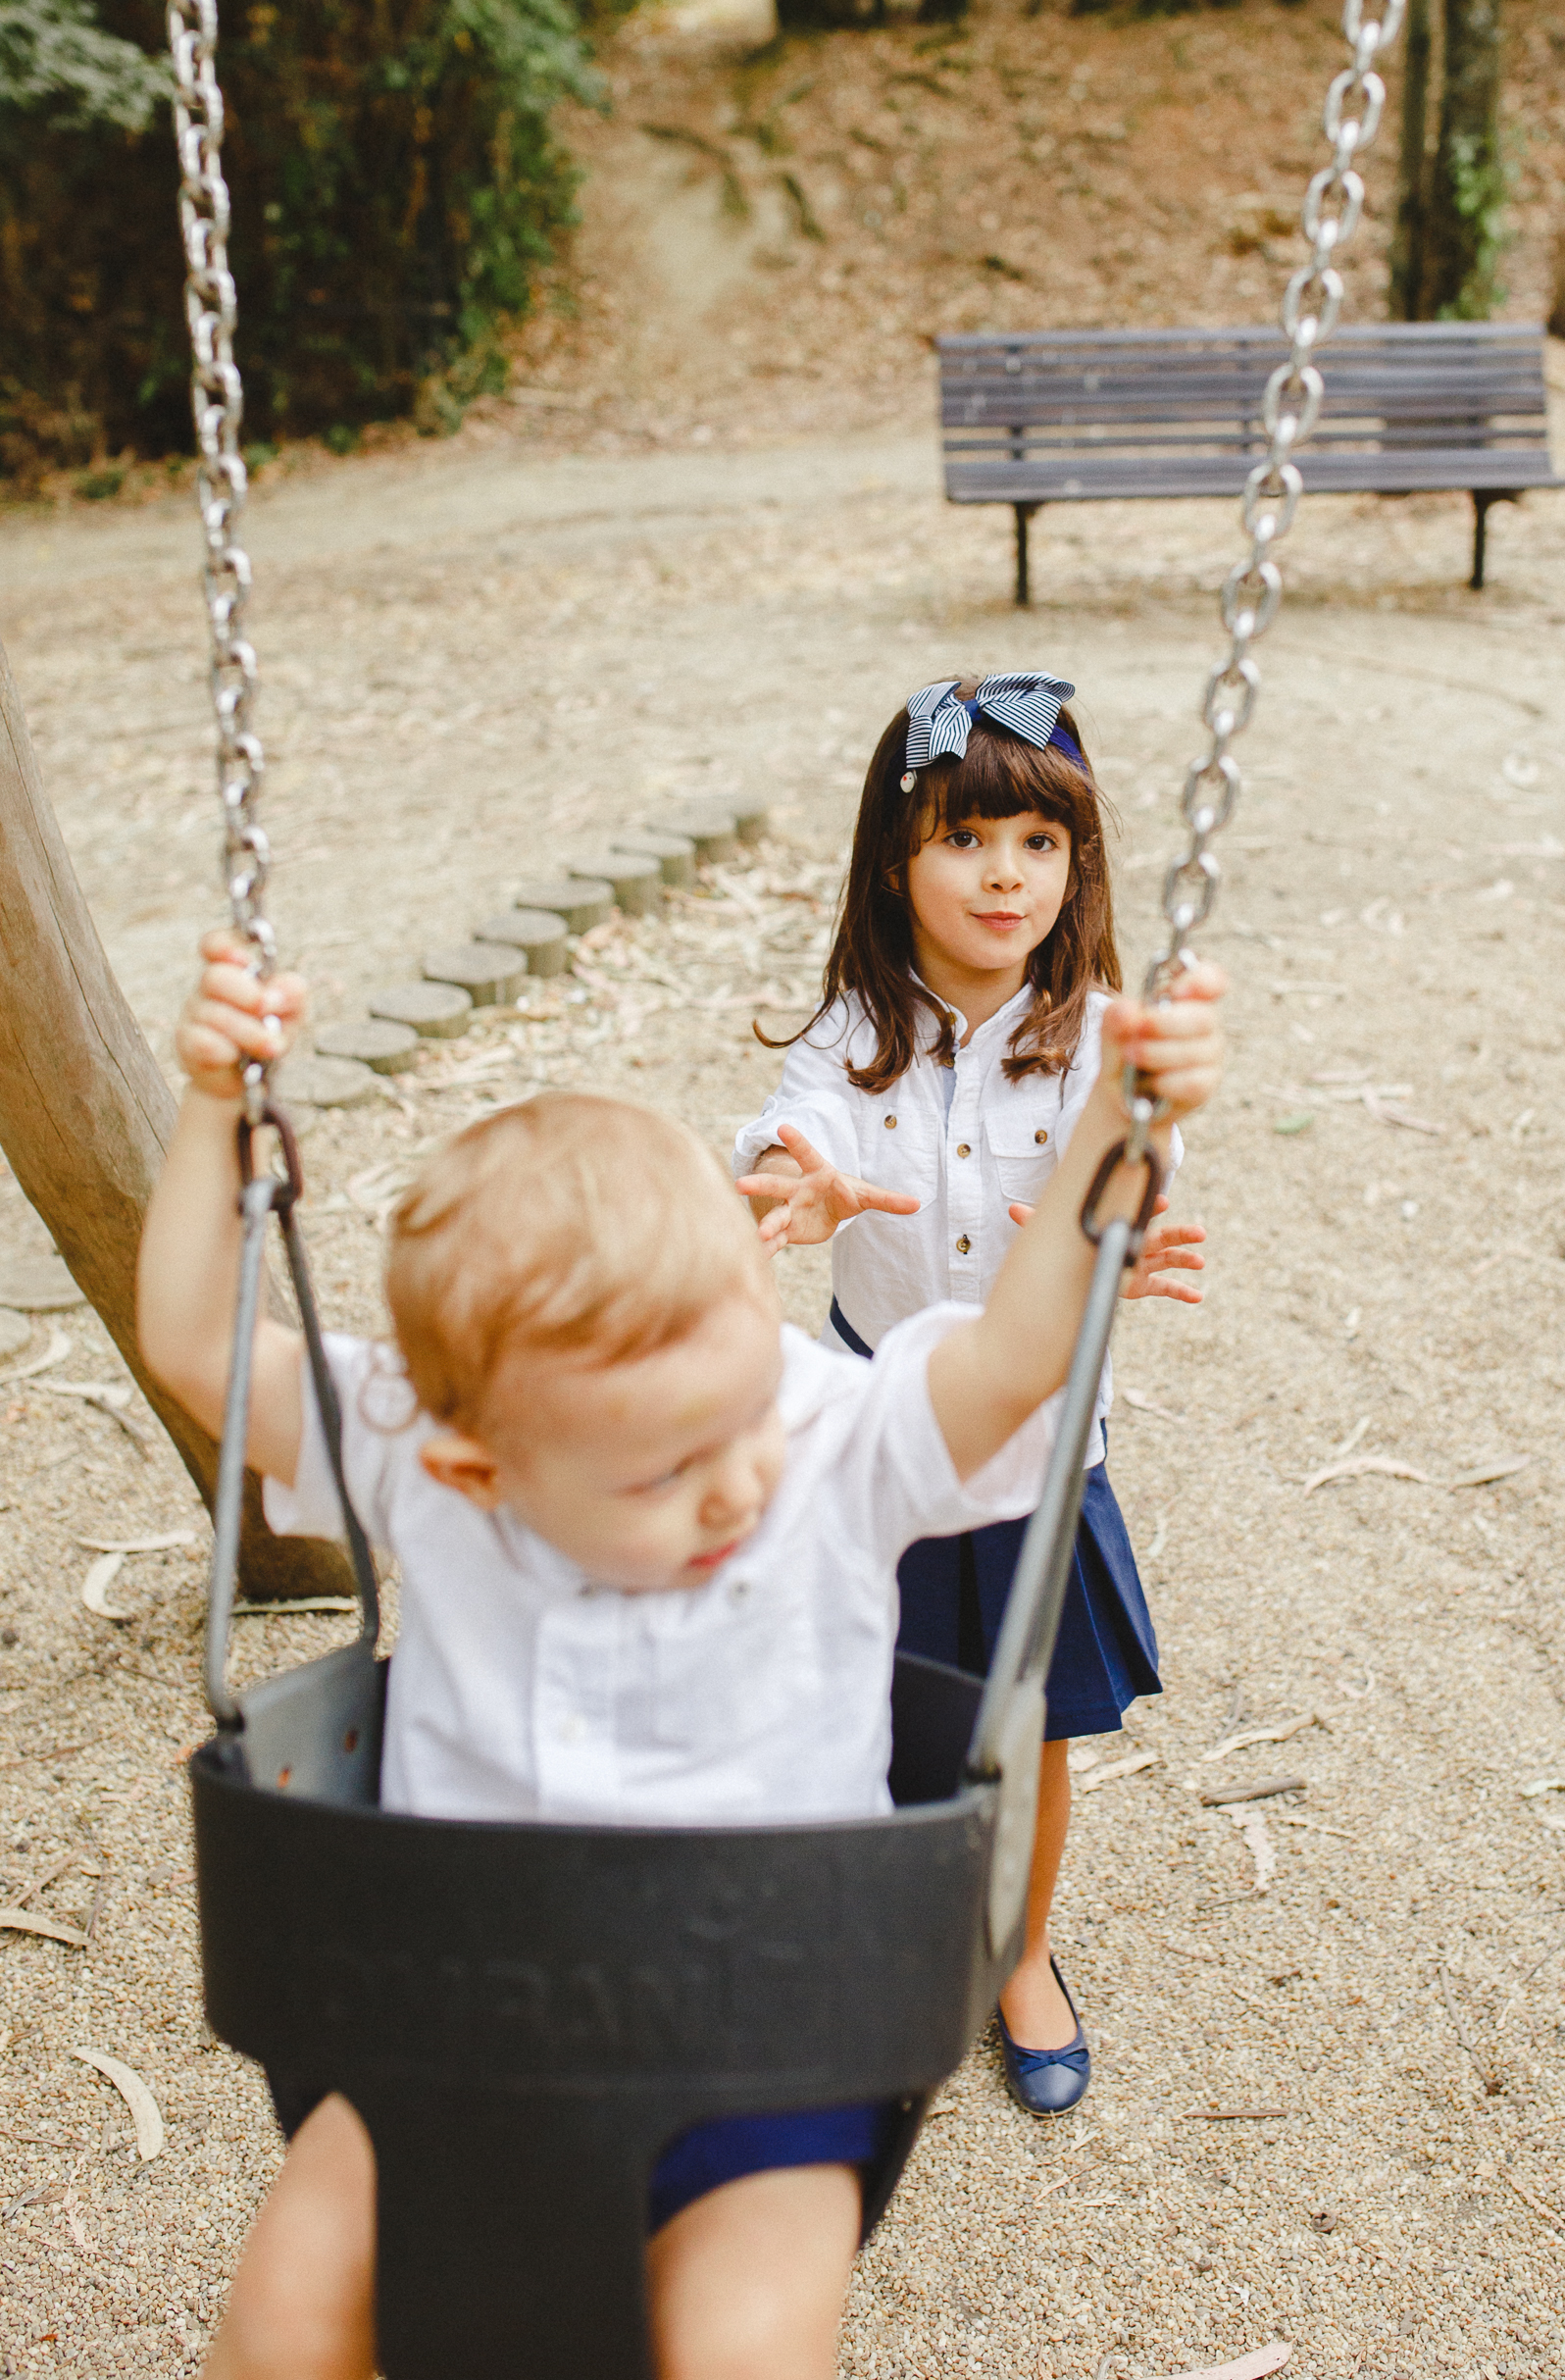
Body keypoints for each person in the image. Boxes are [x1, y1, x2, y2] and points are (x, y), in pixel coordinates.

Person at [137, 928, 1225, 2380]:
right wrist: (219, 1099)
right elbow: (200, 1347)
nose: (735, 1482)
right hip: (457, 2026)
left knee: (741, 2349)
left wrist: (1113, 1115)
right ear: (475, 1467)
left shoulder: (827, 1443)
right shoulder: (416, 1447)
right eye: (661, 1472)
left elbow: (1013, 1359)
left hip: (765, 2052)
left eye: (744, 1409)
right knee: (280, 2324)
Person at [735, 674, 1204, 2117]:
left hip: (1043, 1457)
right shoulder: (848, 1040)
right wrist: (789, 1185)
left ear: (1079, 865)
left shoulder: (1100, 1043)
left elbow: (1138, 1169)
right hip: (879, 1460)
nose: (1007, 877)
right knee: (867, 1713)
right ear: (897, 859)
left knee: (1030, 1731)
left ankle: (1019, 1948)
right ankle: (879, 1939)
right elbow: (788, 1133)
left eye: (1040, 847)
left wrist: (1118, 1234)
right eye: (968, 840)